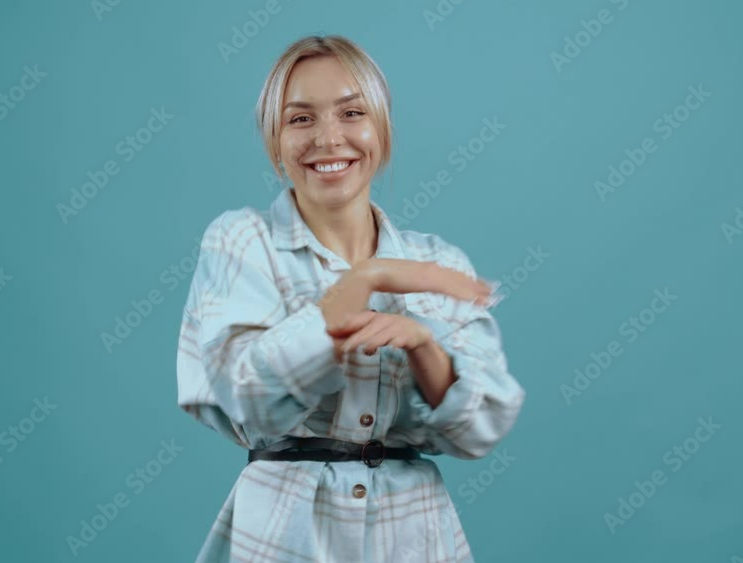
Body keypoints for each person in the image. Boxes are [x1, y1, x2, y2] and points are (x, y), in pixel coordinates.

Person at [176, 34, 525, 563]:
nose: (328, 138)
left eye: (352, 113)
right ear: (274, 141)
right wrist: (367, 278)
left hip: (413, 536)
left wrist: (423, 346)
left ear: (381, 129)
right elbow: (248, 398)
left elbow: (480, 431)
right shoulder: (241, 240)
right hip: (284, 537)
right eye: (301, 119)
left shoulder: (439, 261)